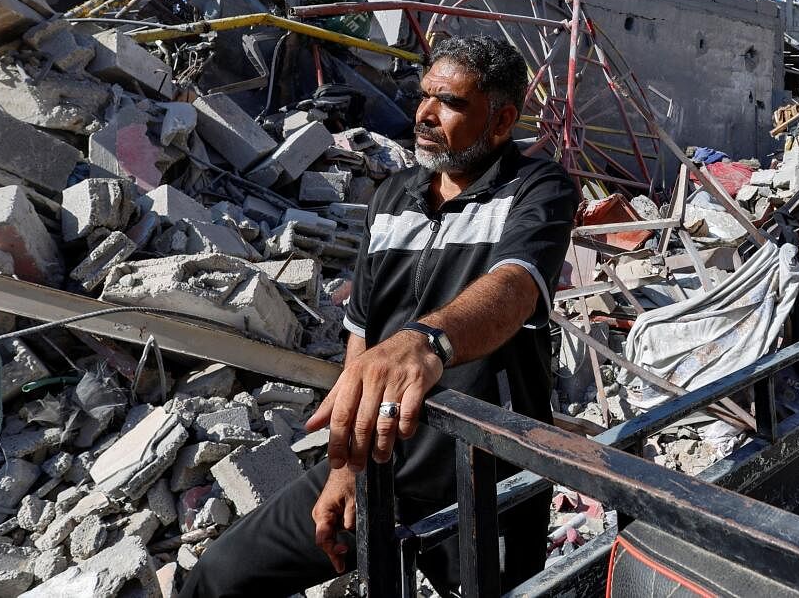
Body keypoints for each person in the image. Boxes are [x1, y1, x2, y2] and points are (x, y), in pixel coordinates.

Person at [179, 35, 580, 597]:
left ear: (502, 118)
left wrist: (427, 342)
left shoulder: (539, 189)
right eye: (424, 97)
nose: (424, 114)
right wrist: (345, 467)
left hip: (483, 475)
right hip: (381, 462)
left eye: (451, 103)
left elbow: (516, 287)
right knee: (215, 579)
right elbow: (361, 340)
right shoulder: (391, 197)